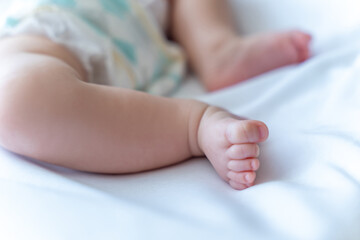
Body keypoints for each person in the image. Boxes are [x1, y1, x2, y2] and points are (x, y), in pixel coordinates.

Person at [0, 0, 311, 190]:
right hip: (44, 35)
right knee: (17, 98)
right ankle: (193, 123)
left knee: (18, 100)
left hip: (137, 36)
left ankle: (216, 54)